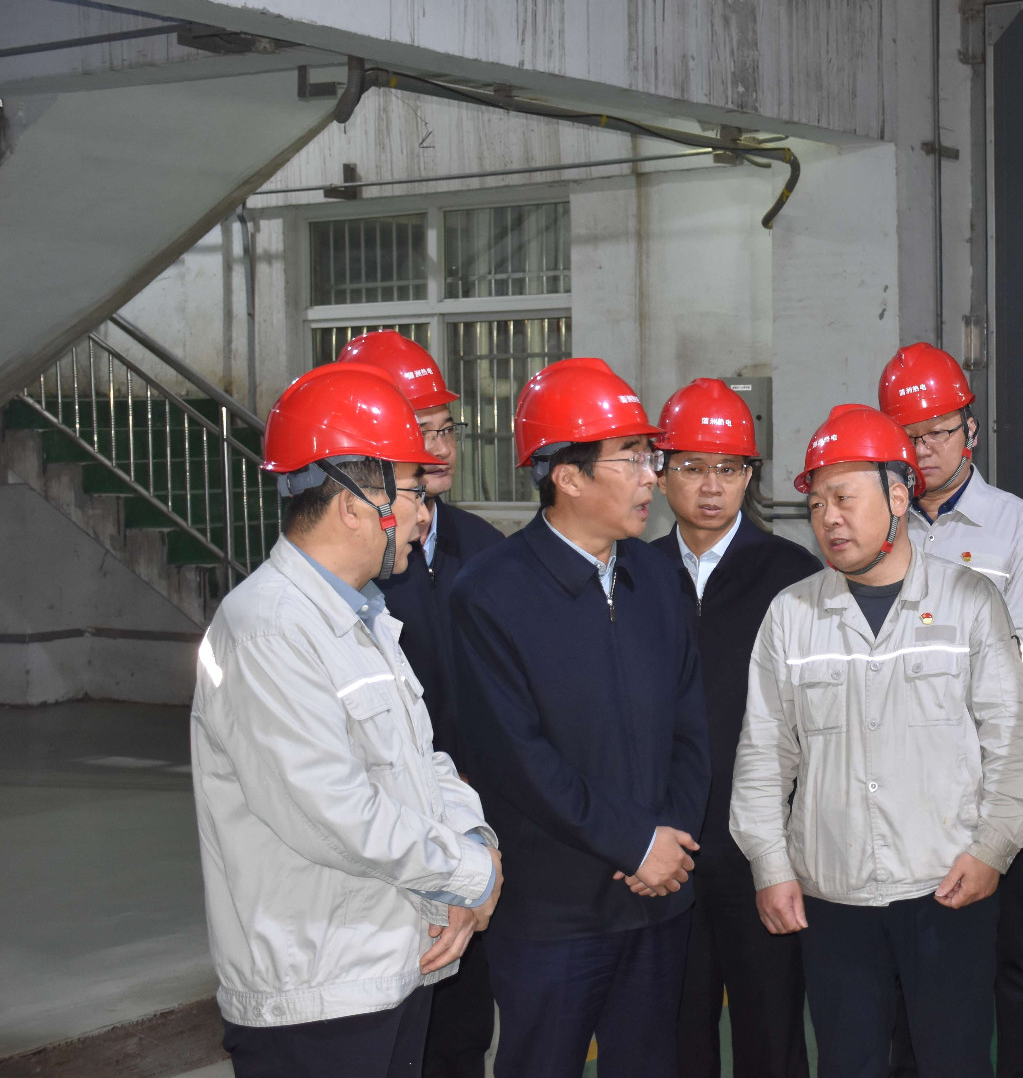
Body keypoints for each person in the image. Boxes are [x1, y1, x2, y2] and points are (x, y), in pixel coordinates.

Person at [192, 363, 502, 1078]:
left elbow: (426, 762)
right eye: (413, 492)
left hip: (388, 967)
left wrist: (473, 842)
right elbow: (333, 812)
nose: (423, 516)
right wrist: (468, 873)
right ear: (356, 505)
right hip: (316, 994)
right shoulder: (268, 629)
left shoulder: (362, 619)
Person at [731, 403, 1023, 1078]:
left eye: (845, 498)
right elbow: (763, 755)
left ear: (899, 498)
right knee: (848, 1063)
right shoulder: (791, 615)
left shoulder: (968, 601)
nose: (829, 519)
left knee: (954, 1062)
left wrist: (992, 848)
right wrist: (770, 865)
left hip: (947, 887)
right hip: (833, 896)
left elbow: (1012, 741)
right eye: (817, 504)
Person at [451, 358, 709, 1078]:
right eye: (631, 458)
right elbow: (518, 759)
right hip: (553, 915)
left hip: (658, 901)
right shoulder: (490, 594)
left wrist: (668, 844)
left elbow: (692, 726)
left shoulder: (656, 576)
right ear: (567, 476)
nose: (651, 477)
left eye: (649, 457)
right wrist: (633, 842)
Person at [877, 343, 1023, 1078]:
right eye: (909, 436)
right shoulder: (876, 527)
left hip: (996, 786)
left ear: (971, 431)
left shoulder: (1020, 529)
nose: (924, 450)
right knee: (909, 965)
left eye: (939, 433)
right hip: (900, 792)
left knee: (1015, 961)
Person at [340, 330, 506, 1078]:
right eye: (420, 432)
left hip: (472, 831)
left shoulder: (487, 549)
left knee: (461, 1037)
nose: (437, 449)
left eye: (445, 428)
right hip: (385, 854)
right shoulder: (349, 573)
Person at [651, 378, 822, 1078]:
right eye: (691, 466)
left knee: (771, 1035)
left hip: (762, 854)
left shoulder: (792, 577)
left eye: (727, 468)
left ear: (750, 475)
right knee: (675, 1037)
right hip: (665, 855)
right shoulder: (634, 577)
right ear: (661, 471)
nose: (710, 486)